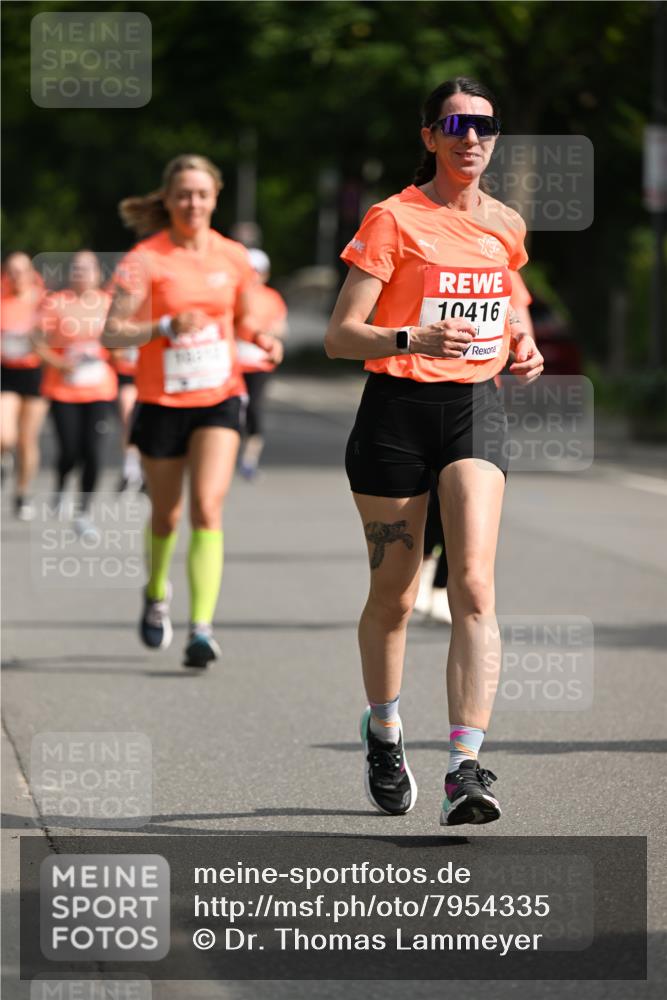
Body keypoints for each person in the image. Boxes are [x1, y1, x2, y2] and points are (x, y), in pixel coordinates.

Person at [325, 77, 544, 826]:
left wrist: (523, 337)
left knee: (474, 585)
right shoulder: (392, 219)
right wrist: (407, 336)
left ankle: (463, 766)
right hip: (394, 410)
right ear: (428, 136)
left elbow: (507, 285)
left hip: (473, 406)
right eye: (453, 124)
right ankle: (384, 732)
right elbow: (338, 334)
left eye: (483, 125)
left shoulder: (504, 222)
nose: (469, 138)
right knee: (392, 594)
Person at [102, 154, 283, 668]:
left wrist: (264, 340)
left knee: (207, 506)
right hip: (161, 401)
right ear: (168, 198)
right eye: (183, 194)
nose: (193, 203)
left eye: (202, 194)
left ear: (215, 197)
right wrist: (160, 328)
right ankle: (156, 593)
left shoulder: (233, 256)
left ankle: (201, 628)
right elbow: (111, 333)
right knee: (167, 513)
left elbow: (247, 321)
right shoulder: (145, 259)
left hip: (220, 396)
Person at [414, 271, 534, 625]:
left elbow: (522, 329)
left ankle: (440, 588)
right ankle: (421, 572)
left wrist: (525, 349)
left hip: (477, 401)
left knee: (466, 505)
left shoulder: (505, 268)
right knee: (431, 500)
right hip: (422, 395)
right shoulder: (438, 256)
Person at [34, 251, 116, 537]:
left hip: (100, 389)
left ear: (98, 273)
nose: (82, 273)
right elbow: (39, 344)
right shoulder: (56, 303)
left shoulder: (108, 304)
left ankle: (84, 513)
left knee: (93, 452)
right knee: (69, 449)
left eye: (88, 268)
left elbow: (120, 344)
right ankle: (60, 485)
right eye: (77, 269)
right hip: (63, 390)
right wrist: (61, 363)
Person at [0, 253, 48, 520]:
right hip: (6, 372)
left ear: (31, 273)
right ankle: (3, 459)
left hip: (35, 373)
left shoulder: (43, 301)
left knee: (27, 440)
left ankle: (22, 493)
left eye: (22, 270)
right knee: (4, 434)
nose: (17, 276)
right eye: (11, 271)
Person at [237, 248, 288, 479]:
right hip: (233, 361)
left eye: (257, 271)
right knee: (232, 410)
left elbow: (281, 327)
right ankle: (226, 455)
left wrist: (267, 332)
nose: (253, 275)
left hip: (259, 363)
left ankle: (249, 460)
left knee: (254, 410)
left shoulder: (272, 298)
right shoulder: (234, 294)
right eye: (249, 270)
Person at [111, 344, 143, 491]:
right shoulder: (120, 323)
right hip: (127, 378)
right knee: (129, 421)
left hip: (150, 378)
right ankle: (130, 468)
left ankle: (142, 469)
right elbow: (112, 352)